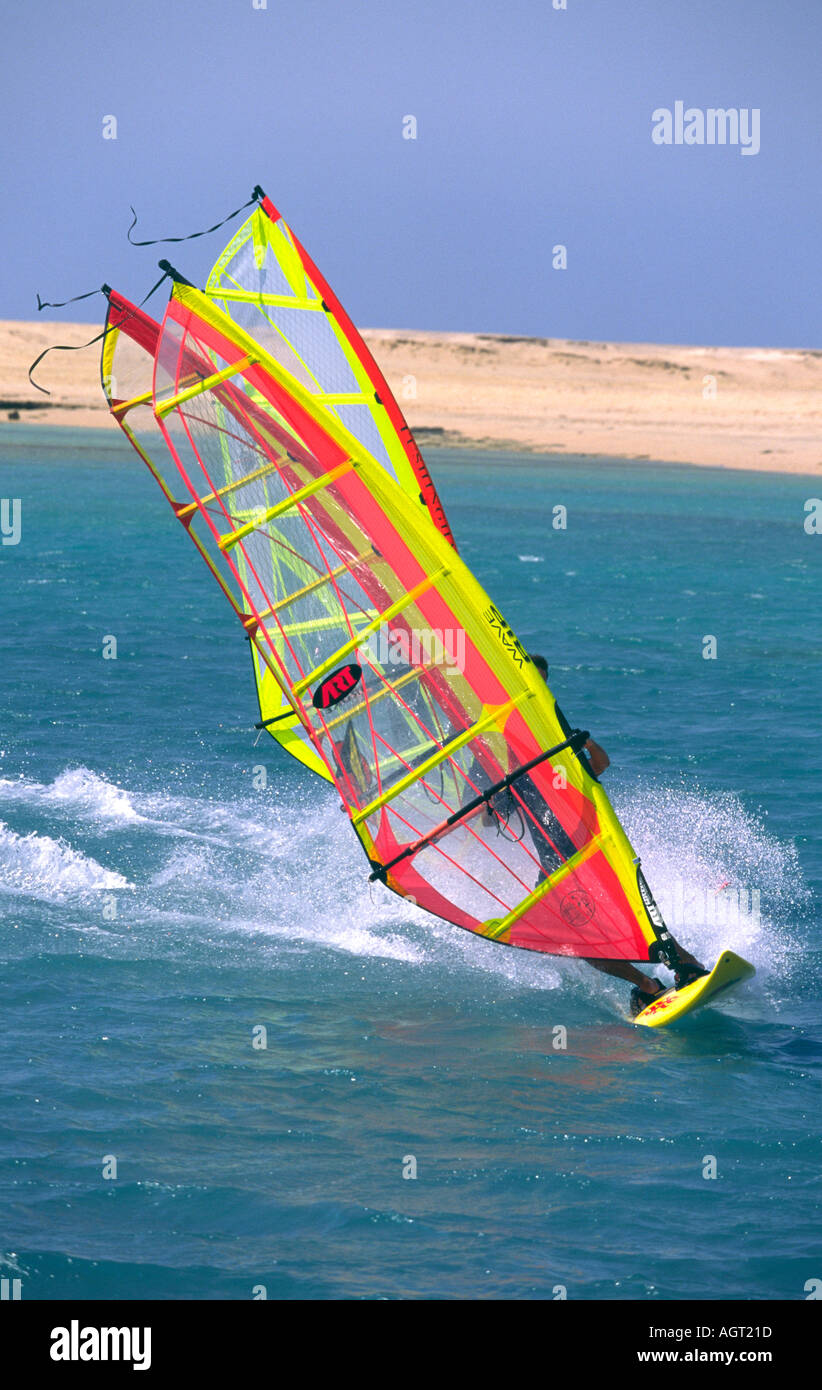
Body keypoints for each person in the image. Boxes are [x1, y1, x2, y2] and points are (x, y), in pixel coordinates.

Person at [526, 653, 706, 1014]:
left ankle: (683, 965)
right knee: (578, 940)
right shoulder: (511, 749)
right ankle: (647, 985)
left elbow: (601, 764)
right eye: (535, 681)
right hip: (553, 863)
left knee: (630, 910)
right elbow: (487, 818)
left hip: (590, 846)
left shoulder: (560, 735)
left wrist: (585, 743)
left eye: (543, 682)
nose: (539, 688)